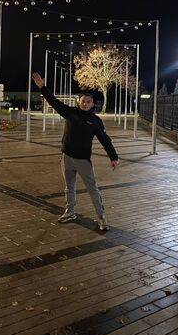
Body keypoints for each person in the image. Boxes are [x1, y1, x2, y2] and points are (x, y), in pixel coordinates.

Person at [32, 72, 119, 231]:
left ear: (92, 104)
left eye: (88, 102)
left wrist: (113, 157)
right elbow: (54, 101)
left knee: (92, 189)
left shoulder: (95, 121)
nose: (85, 104)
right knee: (69, 187)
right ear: (79, 102)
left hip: (83, 160)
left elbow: (105, 140)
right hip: (66, 157)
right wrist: (42, 87)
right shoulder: (70, 112)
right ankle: (70, 212)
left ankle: (101, 217)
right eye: (83, 101)